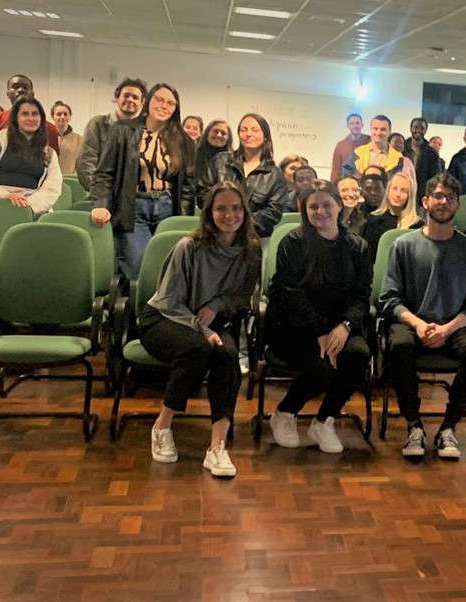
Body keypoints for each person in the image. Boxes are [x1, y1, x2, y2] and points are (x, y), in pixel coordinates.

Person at [141, 182, 261, 478]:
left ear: (245, 212)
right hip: (166, 318)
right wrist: (202, 329)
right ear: (209, 213)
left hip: (212, 321)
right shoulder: (188, 247)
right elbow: (168, 301)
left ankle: (217, 447)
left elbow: (242, 296)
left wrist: (217, 306)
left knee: (227, 356)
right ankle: (162, 426)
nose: (229, 215)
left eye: (236, 208)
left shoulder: (251, 250)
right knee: (197, 348)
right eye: (221, 208)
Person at [379, 174, 466, 460]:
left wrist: (447, 329)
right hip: (413, 322)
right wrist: (419, 325)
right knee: (399, 345)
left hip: (454, 324)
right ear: (425, 202)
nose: (443, 202)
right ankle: (414, 424)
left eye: (450, 198)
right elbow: (389, 299)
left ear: (457, 205)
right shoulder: (403, 245)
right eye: (438, 196)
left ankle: (448, 427)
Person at [265, 180, 372, 452]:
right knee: (323, 366)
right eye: (313, 206)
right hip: (294, 326)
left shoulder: (357, 246)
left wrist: (345, 326)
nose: (320, 211)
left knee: (359, 355)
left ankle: (325, 420)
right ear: (304, 209)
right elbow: (290, 293)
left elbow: (362, 295)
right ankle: (286, 412)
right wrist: (320, 332)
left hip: (340, 326)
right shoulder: (293, 243)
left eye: (327, 205)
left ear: (339, 206)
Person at [90, 83, 193, 281]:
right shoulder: (123, 131)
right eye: (159, 99)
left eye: (170, 103)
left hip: (168, 208)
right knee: (138, 268)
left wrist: (183, 220)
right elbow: (103, 173)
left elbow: (188, 185)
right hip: (133, 208)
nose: (164, 105)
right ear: (147, 101)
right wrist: (100, 204)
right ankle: (137, 302)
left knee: (168, 269)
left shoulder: (183, 140)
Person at [198, 113, 289, 243]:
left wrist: (238, 222)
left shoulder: (275, 175)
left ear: (265, 136)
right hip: (217, 235)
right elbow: (203, 194)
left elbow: (273, 213)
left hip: (255, 239)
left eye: (255, 130)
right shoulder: (220, 161)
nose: (248, 134)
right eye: (243, 130)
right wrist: (223, 219)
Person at [0, 97, 63, 216]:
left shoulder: (49, 153)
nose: (30, 118)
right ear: (15, 118)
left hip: (32, 208)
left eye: (35, 114)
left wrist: (28, 205)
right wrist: (6, 196)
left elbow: (53, 186)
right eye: (25, 114)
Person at [77, 78, 146, 189]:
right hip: (101, 193)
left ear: (142, 103)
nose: (130, 100)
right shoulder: (97, 124)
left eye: (135, 97)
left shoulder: (146, 130)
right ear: (117, 98)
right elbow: (86, 162)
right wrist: (99, 192)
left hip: (136, 195)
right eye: (126, 95)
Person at [340, 114, 416, 185]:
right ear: (371, 130)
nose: (378, 133)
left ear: (390, 132)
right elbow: (345, 176)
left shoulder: (398, 159)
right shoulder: (358, 154)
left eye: (383, 129)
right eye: (375, 129)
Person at [361, 172, 422, 257]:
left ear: (409, 196)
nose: (398, 194)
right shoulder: (373, 220)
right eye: (394, 188)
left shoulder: (417, 225)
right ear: (388, 191)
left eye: (403, 191)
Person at [193, 119, 232, 208]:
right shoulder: (193, 155)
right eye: (215, 131)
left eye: (223, 133)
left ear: (228, 138)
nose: (219, 135)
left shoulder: (233, 160)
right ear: (207, 133)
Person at [405, 117, 444, 197]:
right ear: (410, 128)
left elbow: (436, 177)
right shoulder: (402, 149)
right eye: (416, 127)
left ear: (425, 131)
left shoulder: (432, 153)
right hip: (403, 192)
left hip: (422, 196)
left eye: (422, 128)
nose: (418, 130)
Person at [330, 113, 369, 182]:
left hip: (366, 181)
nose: (355, 126)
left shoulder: (370, 142)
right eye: (352, 123)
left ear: (362, 125)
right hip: (347, 183)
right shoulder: (341, 146)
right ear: (348, 126)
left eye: (357, 123)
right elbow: (335, 170)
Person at [51, 101, 83, 176]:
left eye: (65, 114)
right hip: (49, 180)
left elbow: (82, 164)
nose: (62, 117)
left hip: (71, 180)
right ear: (53, 117)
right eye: (59, 114)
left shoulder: (79, 140)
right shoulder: (46, 137)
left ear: (70, 117)